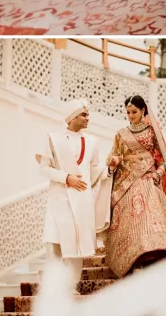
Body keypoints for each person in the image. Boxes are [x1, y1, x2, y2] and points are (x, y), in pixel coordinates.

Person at [104, 94, 166, 277]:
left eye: (134, 112)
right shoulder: (121, 134)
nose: (130, 115)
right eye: (128, 112)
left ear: (143, 111)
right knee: (130, 224)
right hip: (126, 185)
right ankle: (132, 261)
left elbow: (165, 162)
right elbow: (113, 156)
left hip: (148, 181)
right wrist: (113, 161)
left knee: (149, 221)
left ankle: (151, 260)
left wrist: (156, 175)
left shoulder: (151, 131)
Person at [36, 99, 109, 290]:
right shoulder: (53, 138)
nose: (88, 118)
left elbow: (91, 170)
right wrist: (66, 177)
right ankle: (54, 288)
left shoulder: (93, 142)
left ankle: (71, 287)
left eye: (87, 115)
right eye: (84, 115)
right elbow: (44, 168)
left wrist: (107, 170)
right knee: (55, 242)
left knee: (77, 245)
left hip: (81, 199)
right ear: (72, 117)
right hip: (59, 198)